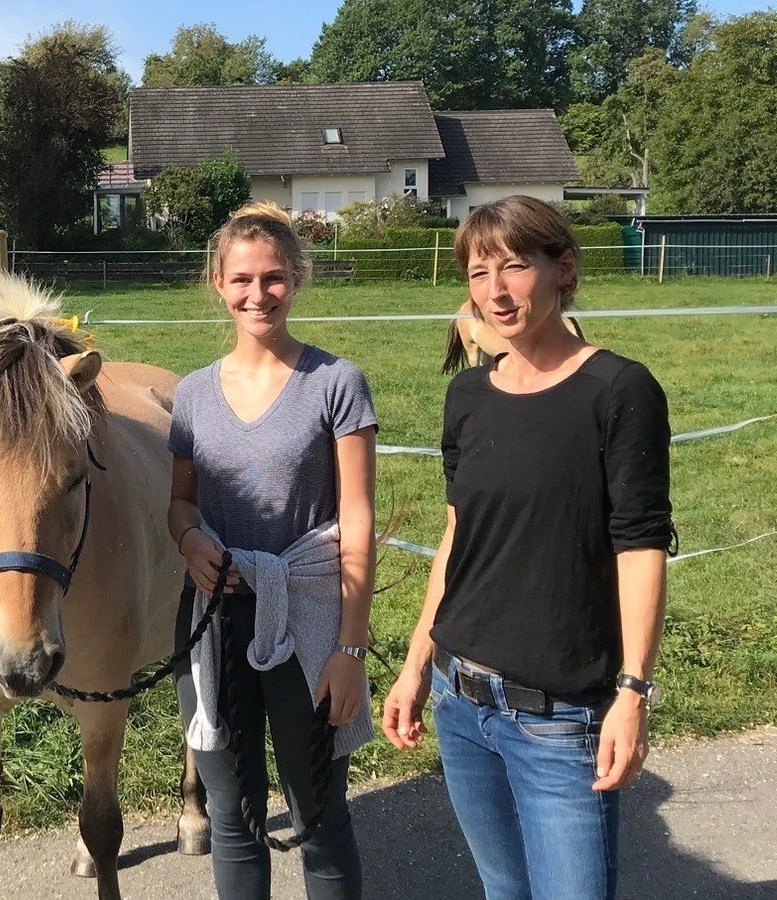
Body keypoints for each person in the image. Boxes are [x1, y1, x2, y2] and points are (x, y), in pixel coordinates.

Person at [381, 195, 673, 899]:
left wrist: (632, 692)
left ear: (563, 268)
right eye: (479, 274)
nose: (496, 291)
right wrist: (416, 663)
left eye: (515, 267)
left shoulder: (619, 390)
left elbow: (640, 547)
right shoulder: (469, 396)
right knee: (503, 892)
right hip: (460, 701)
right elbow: (459, 537)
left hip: (561, 718)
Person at [168, 202, 377, 899]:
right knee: (232, 815)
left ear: (298, 279)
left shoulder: (335, 384)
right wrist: (191, 536)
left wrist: (349, 652)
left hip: (308, 622)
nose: (258, 294)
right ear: (217, 284)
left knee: (319, 816)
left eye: (275, 278)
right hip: (216, 622)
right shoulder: (193, 395)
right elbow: (180, 502)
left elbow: (357, 517)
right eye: (243, 279)